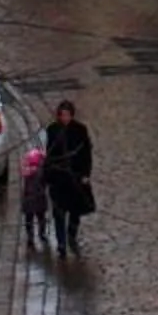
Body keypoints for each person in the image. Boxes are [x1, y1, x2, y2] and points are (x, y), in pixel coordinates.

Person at [41, 100, 95, 255]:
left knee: (75, 210)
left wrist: (85, 174)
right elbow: (50, 154)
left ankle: (71, 235)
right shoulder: (53, 130)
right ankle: (61, 243)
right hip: (59, 178)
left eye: (67, 115)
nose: (65, 118)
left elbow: (86, 154)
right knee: (58, 212)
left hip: (75, 177)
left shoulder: (80, 130)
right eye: (62, 115)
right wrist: (48, 176)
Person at [18, 147, 50, 250]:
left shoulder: (26, 171)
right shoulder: (41, 170)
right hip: (40, 198)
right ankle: (42, 234)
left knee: (29, 219)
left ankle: (30, 237)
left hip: (28, 199)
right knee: (41, 218)